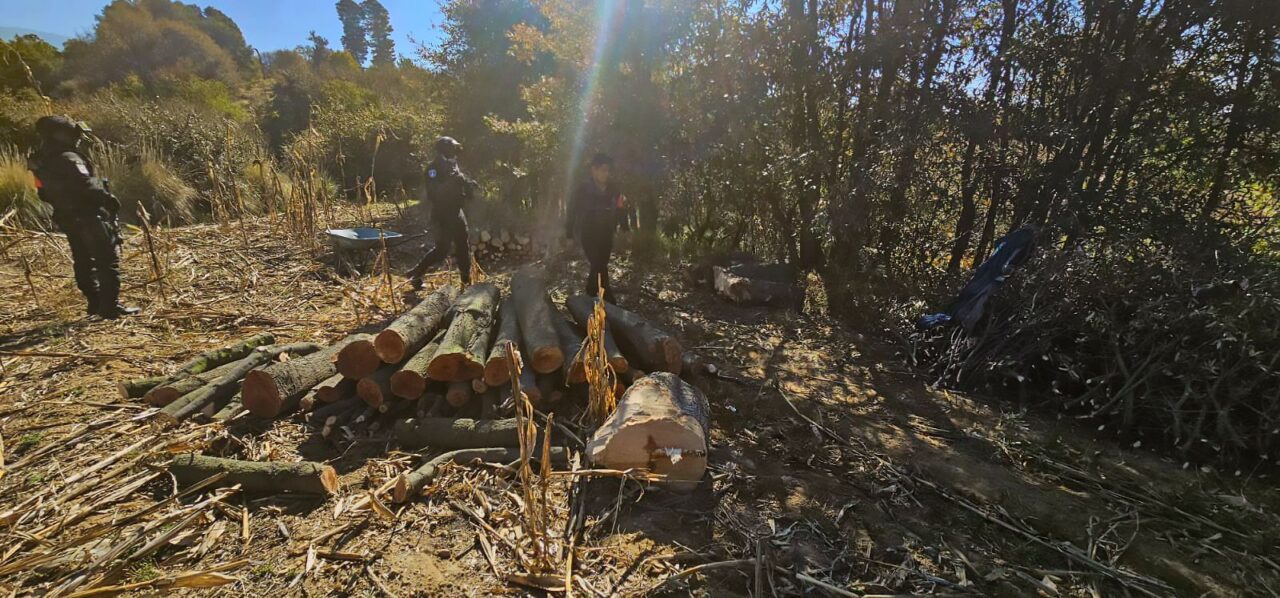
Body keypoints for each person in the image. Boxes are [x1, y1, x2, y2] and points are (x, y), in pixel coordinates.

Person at [28, 115, 139, 319]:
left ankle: (95, 303)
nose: (77, 138)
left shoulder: (41, 160)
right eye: (72, 134)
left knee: (83, 260)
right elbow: (85, 184)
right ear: (59, 135)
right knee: (106, 260)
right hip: (87, 215)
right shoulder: (69, 158)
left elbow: (42, 193)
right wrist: (107, 199)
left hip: (66, 216)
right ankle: (109, 307)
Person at [406, 136, 477, 289]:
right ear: (445, 149)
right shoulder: (433, 169)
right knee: (442, 250)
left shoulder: (452, 162)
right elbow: (433, 193)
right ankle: (416, 274)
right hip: (442, 214)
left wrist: (468, 184)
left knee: (463, 246)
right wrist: (453, 181)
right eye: (453, 147)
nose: (456, 150)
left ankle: (466, 282)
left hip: (457, 211)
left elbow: (458, 179)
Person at [566, 152, 629, 302]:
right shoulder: (583, 189)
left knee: (601, 264)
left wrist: (625, 228)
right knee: (598, 264)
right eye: (602, 170)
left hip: (606, 233)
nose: (605, 174)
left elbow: (621, 208)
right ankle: (608, 297)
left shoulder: (614, 188)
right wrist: (569, 234)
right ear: (593, 170)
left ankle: (590, 292)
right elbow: (572, 211)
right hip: (589, 233)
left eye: (607, 170)